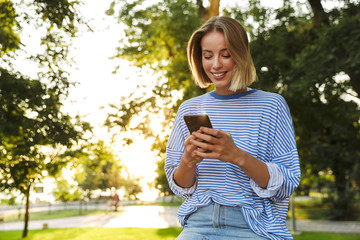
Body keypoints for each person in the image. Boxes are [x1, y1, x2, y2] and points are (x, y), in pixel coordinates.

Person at [165, 16, 300, 240]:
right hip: (198, 225)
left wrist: (236, 155)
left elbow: (286, 184)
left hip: (253, 225)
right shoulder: (189, 109)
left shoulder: (271, 106)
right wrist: (187, 161)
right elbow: (180, 186)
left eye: (225, 55)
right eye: (207, 56)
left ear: (241, 55)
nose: (215, 64)